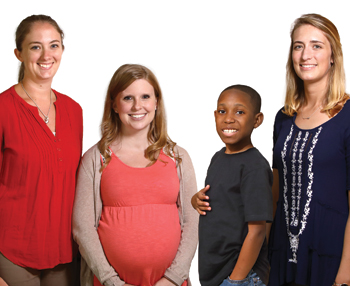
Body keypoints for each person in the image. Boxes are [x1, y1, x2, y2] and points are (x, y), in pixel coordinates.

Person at [72, 64, 198, 286]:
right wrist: (111, 281)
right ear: (114, 104)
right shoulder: (96, 158)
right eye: (128, 98)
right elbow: (83, 227)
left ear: (156, 102)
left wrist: (173, 278)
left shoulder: (178, 157)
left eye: (145, 97)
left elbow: (192, 222)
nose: (138, 106)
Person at [268, 13, 350, 286]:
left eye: (317, 45)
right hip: (283, 256)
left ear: (333, 56)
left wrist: (345, 273)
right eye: (298, 46)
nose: (306, 55)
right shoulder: (283, 117)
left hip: (331, 258)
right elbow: (275, 192)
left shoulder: (348, 116)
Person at [0, 15, 83, 286]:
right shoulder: (3, 109)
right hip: (11, 249)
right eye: (36, 46)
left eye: (54, 45)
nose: (46, 55)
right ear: (19, 54)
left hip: (63, 251)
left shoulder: (74, 111)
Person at [191, 85, 273, 286]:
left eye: (239, 112)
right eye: (222, 111)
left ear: (257, 120)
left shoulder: (254, 166)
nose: (228, 118)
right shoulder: (218, 158)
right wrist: (196, 200)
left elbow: (257, 231)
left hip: (241, 276)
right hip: (215, 273)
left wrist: (236, 280)